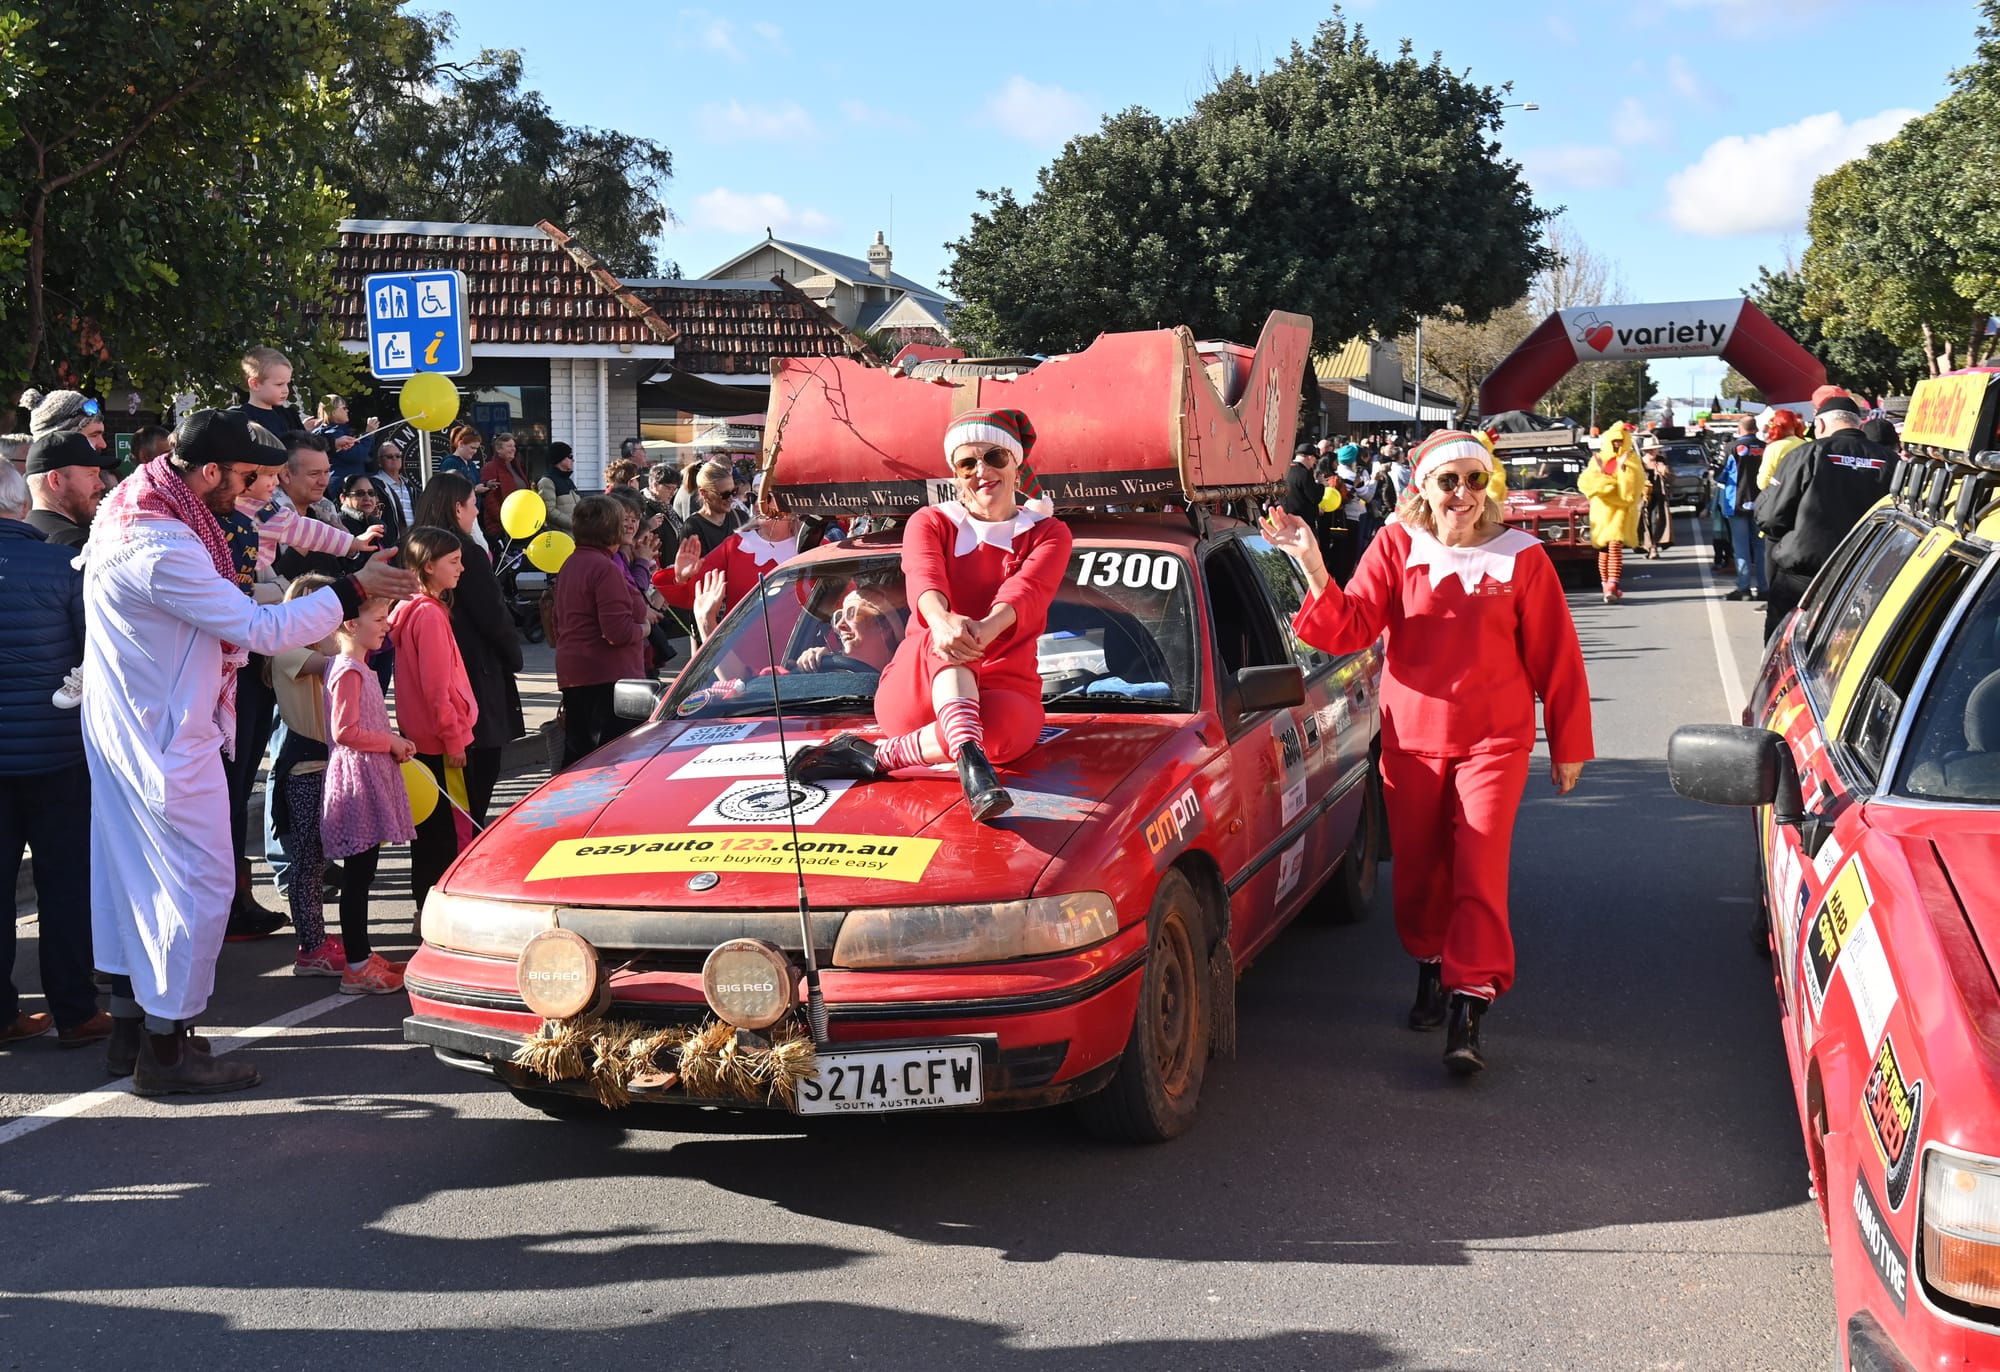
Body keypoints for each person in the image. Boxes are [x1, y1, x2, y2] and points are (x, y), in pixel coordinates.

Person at [82, 410, 417, 1092]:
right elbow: (259, 628)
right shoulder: (161, 544)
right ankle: (166, 1050)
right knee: (200, 887)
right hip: (165, 738)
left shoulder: (132, 504)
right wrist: (354, 589)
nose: (250, 495)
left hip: (135, 726)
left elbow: (234, 601)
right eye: (244, 479)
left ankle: (135, 1035)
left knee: (130, 882)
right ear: (207, 470)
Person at [1262, 430, 1592, 1076]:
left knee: (1480, 866)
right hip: (1413, 739)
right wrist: (1311, 561)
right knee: (1419, 871)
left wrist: (1568, 742)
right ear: (1423, 488)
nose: (1463, 494)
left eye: (1475, 480)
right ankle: (1432, 966)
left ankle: (1471, 1001)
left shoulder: (1523, 556)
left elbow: (1558, 657)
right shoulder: (1395, 545)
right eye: (1449, 482)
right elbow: (1350, 627)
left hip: (1495, 741)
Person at [790, 409, 1073, 822]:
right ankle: (972, 762)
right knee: (950, 637)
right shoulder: (930, 521)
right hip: (919, 682)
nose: (982, 471)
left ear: (1015, 464)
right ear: (955, 473)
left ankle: (888, 755)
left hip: (1002, 683)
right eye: (967, 463)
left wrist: (983, 630)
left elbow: (1027, 592)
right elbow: (923, 578)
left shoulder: (1050, 533)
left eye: (994, 457)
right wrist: (943, 622)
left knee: (1011, 731)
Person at [0, 461, 110, 1049]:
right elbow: (89, 658)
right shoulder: (63, 565)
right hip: (56, 750)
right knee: (64, 887)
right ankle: (75, 1011)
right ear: (21, 506)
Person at [412, 474, 523, 826]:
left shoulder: (412, 547)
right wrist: (513, 656)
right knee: (467, 797)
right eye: (473, 505)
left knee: (448, 808)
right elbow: (492, 615)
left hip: (437, 687)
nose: (476, 512)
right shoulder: (465, 555)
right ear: (458, 507)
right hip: (472, 678)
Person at [321, 590, 417, 995]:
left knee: (365, 872)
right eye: (379, 619)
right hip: (357, 779)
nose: (387, 625)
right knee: (359, 876)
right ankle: (356, 965)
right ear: (351, 625)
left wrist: (391, 738)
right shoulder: (349, 670)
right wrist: (389, 741)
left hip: (369, 772)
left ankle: (362, 955)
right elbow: (345, 732)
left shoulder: (360, 667)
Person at [387, 525, 477, 912]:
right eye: (453, 562)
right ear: (427, 566)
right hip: (441, 743)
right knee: (448, 834)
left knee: (430, 833)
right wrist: (454, 739)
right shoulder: (428, 616)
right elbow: (437, 689)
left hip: (424, 738)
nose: (461, 569)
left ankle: (425, 907)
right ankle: (438, 911)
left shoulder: (413, 610)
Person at [1758, 392, 1895, 641]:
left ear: (1820, 424)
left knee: (1783, 647)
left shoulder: (1806, 454)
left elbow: (1769, 517)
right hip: (1866, 575)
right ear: (1858, 423)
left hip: (1803, 577)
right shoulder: (1891, 460)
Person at [269, 574, 345, 977]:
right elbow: (336, 663)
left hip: (324, 764)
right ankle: (310, 947)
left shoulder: (318, 642)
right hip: (304, 767)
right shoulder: (287, 647)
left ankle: (315, 938)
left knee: (317, 858)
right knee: (307, 859)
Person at [553, 495, 652, 766]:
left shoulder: (572, 563)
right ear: (613, 529)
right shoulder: (604, 568)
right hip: (609, 679)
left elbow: (557, 618)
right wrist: (643, 629)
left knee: (582, 759)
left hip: (578, 673)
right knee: (610, 761)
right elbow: (616, 632)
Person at [656, 481, 798, 626]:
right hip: (743, 643)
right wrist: (682, 578)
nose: (757, 504)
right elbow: (695, 596)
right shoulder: (736, 545)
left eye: (766, 497)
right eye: (753, 497)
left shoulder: (814, 547)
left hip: (801, 646)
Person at [1578, 421, 1646, 603]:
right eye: (1614, 440)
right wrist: (1603, 476)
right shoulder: (1598, 459)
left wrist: (1623, 470)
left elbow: (1632, 491)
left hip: (1620, 509)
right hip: (1601, 511)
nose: (1617, 443)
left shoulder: (1631, 459)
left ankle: (1612, 585)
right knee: (1604, 549)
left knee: (1615, 544)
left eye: (1620, 440)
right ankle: (1606, 586)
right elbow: (1586, 484)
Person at [24, 431, 116, 550]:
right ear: (55, 480)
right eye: (91, 474)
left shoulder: (18, 536)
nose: (101, 485)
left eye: (98, 474)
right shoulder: (79, 545)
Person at [1718, 418, 1766, 602]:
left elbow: (1722, 476)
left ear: (1740, 428)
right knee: (1761, 547)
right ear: (1756, 428)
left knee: (1741, 547)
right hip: (1761, 503)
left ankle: (1744, 588)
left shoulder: (1731, 448)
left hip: (1736, 503)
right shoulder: (1765, 447)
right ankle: (1764, 588)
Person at [677, 459, 751, 559]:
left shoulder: (741, 517)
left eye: (734, 491)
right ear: (704, 493)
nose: (731, 498)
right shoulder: (692, 528)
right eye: (725, 494)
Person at [229, 347, 304, 442]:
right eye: (279, 384)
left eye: (287, 383)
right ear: (255, 384)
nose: (286, 390)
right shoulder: (241, 419)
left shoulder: (290, 416)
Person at [478, 430, 531, 541]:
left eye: (514, 446)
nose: (513, 449)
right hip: (502, 526)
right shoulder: (490, 468)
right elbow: (489, 499)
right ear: (498, 449)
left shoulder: (516, 466)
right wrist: (503, 518)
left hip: (521, 522)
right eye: (509, 446)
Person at [1756, 407, 1809, 494]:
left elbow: (1762, 483)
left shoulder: (1773, 448)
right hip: (1803, 496)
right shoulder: (1806, 445)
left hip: (1780, 496)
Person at [1639, 441, 1674, 559]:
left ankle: (1653, 547)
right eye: (1649, 450)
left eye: (1654, 450)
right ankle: (1649, 547)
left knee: (1656, 521)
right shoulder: (1640, 462)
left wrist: (1665, 472)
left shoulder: (1661, 461)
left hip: (1659, 497)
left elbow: (1672, 478)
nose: (1652, 452)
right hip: (1643, 498)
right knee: (1644, 522)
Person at [536, 442, 579, 532]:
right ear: (560, 459)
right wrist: (575, 524)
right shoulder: (547, 481)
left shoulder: (567, 481)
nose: (573, 460)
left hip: (574, 535)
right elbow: (549, 511)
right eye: (570, 457)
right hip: (560, 538)